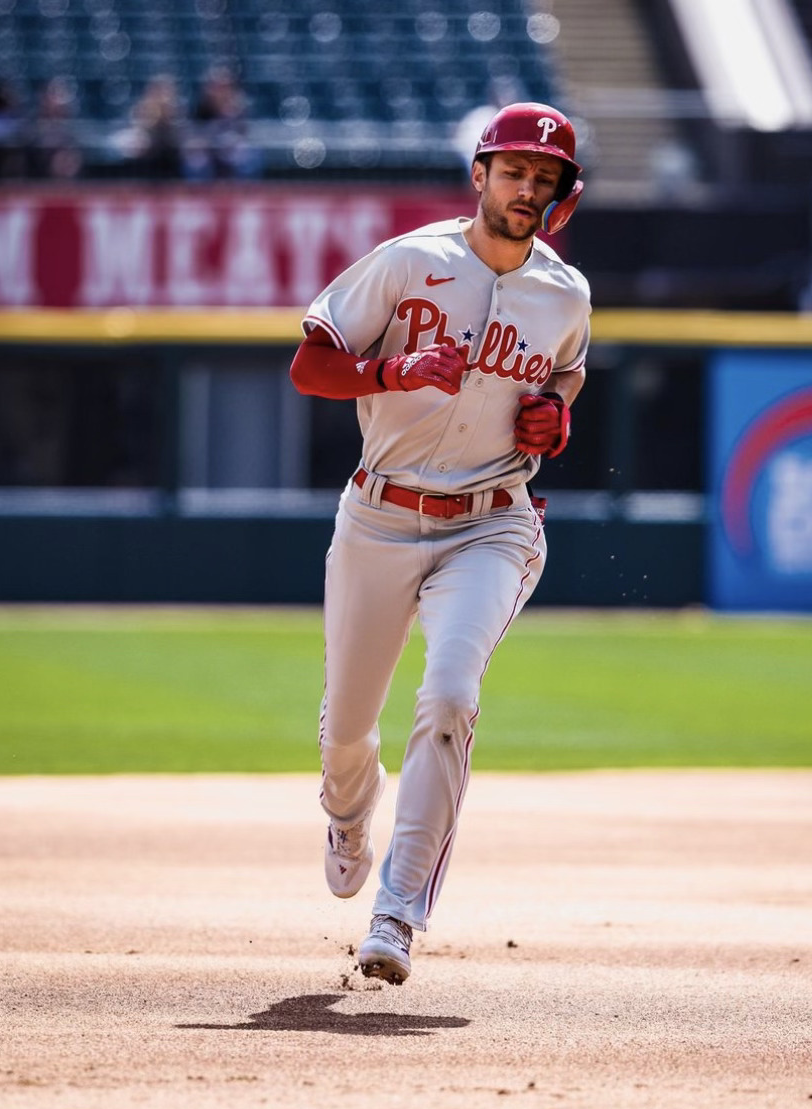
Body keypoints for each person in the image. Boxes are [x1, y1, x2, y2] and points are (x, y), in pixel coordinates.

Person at [289, 102, 591, 983]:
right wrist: (388, 371)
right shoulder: (411, 261)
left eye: (543, 178)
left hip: (493, 521)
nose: (525, 187)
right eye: (513, 171)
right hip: (379, 517)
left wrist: (556, 420)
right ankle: (347, 813)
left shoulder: (563, 293)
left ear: (560, 194)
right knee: (348, 733)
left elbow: (564, 377)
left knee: (451, 695)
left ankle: (396, 915)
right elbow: (310, 364)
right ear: (481, 175)